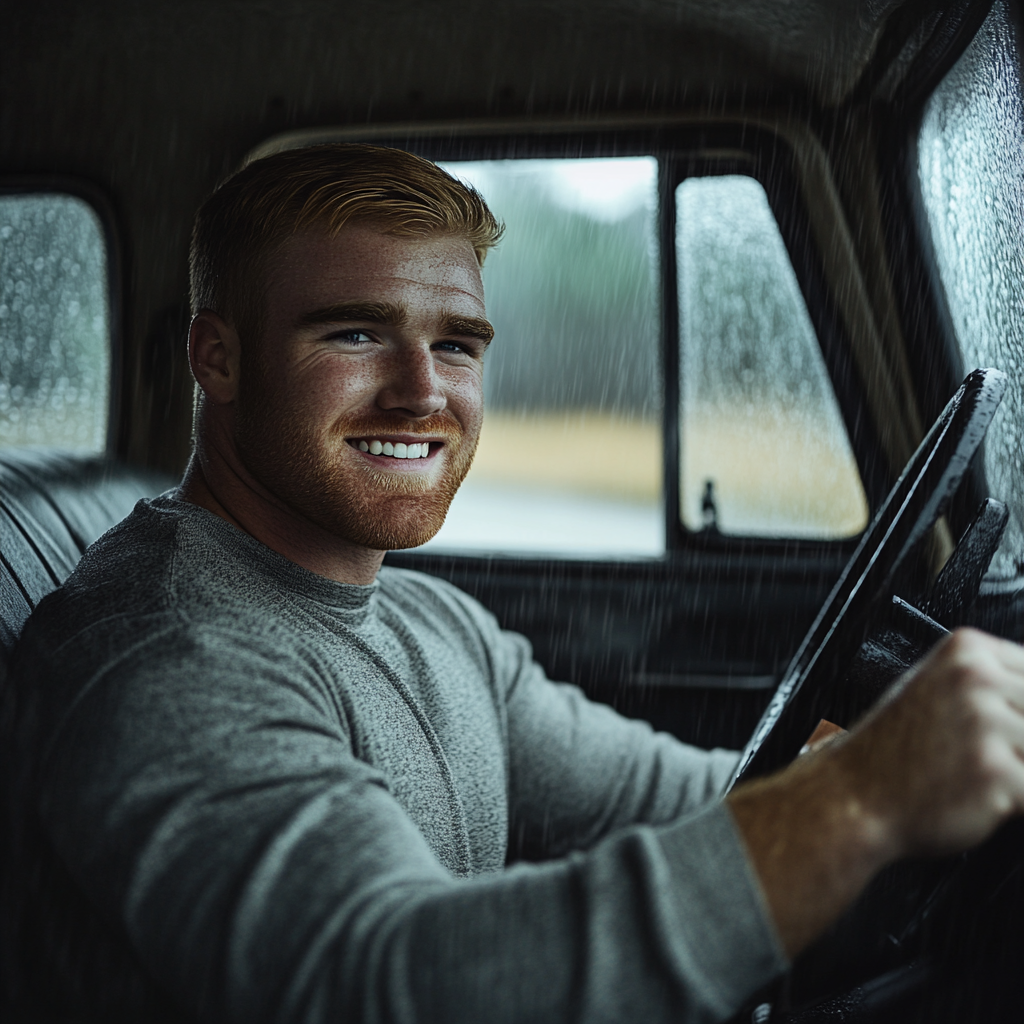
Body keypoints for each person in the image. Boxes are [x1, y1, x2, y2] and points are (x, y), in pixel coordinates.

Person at [4, 143, 1024, 1024]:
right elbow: (383, 983)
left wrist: (878, 767)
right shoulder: (169, 654)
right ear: (216, 358)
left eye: (456, 342)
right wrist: (857, 805)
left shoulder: (430, 620)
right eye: (354, 332)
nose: (422, 390)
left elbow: (682, 799)